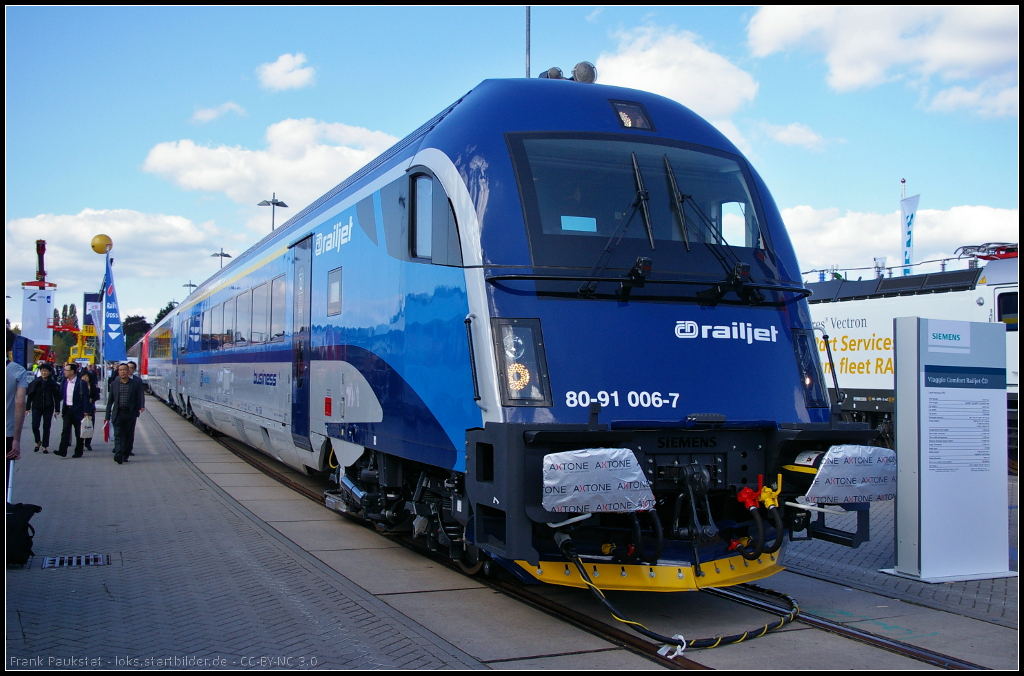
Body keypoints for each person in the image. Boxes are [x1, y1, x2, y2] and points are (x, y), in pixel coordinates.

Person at [106, 363, 145, 464]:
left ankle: (125, 454)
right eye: (120, 370)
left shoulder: (134, 384)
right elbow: (110, 401)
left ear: (128, 371)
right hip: (118, 413)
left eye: (124, 370)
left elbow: (139, 397)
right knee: (118, 434)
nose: (122, 372)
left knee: (128, 435)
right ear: (118, 372)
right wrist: (107, 416)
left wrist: (139, 408)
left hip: (130, 413)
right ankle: (118, 454)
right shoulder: (114, 384)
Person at [55, 363, 89, 458]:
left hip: (78, 410)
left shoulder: (81, 383)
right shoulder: (65, 382)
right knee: (65, 431)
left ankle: (78, 451)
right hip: (68, 410)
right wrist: (62, 410)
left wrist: (86, 410)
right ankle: (62, 450)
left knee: (78, 432)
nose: (64, 372)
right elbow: (63, 396)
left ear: (72, 371)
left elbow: (86, 397)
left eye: (66, 370)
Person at [26, 363, 60, 453]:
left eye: (46, 371)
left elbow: (56, 397)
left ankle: (45, 446)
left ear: (49, 372)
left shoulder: (52, 384)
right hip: (36, 406)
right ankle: (38, 441)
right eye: (42, 371)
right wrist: (27, 407)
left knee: (46, 426)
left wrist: (57, 409)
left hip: (48, 407)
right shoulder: (36, 382)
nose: (44, 373)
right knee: (35, 425)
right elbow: (30, 395)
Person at [79, 369, 100, 451]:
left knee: (90, 425)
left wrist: (92, 399)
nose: (85, 378)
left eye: (86, 377)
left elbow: (97, 396)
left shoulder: (92, 386)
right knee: (81, 425)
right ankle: (80, 442)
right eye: (83, 377)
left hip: (91, 407)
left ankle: (88, 442)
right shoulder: (79, 385)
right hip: (81, 408)